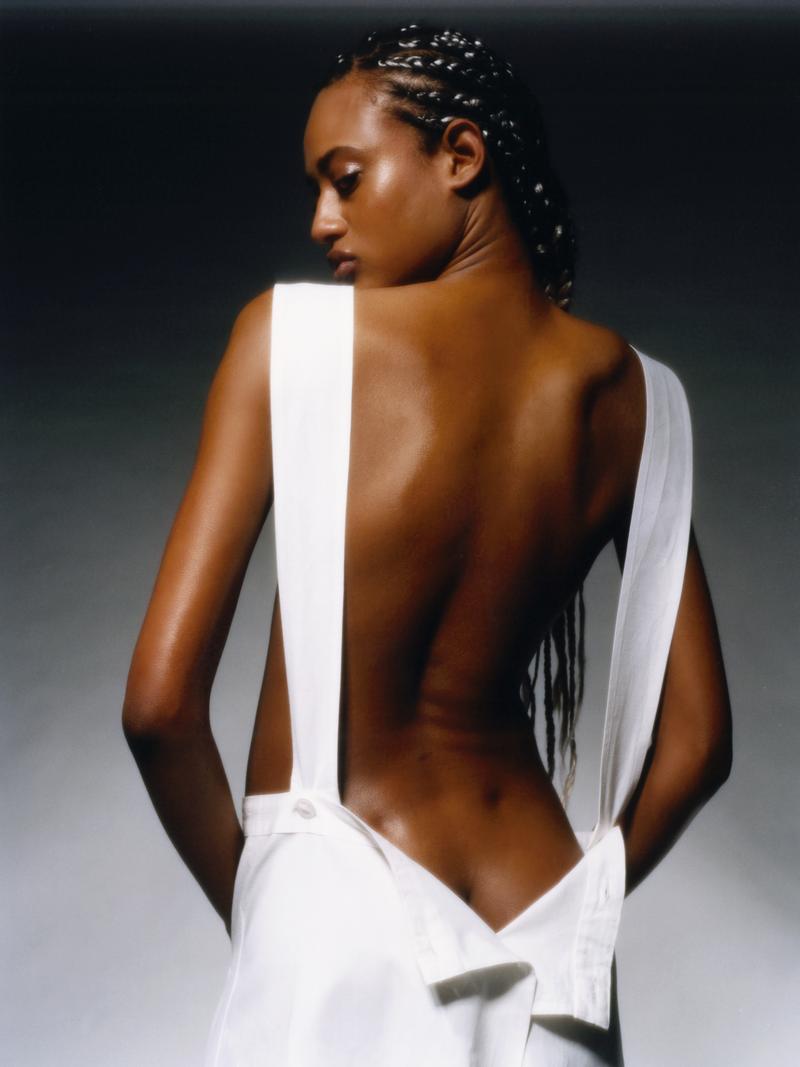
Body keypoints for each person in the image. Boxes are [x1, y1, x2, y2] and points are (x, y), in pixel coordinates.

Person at [122, 21, 732, 1066]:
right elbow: (699, 741)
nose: (321, 220)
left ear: (460, 155)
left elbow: (160, 707)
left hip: (334, 909)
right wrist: (581, 912)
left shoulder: (291, 340)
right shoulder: (640, 399)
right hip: (551, 944)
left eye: (345, 178)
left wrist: (272, 914)